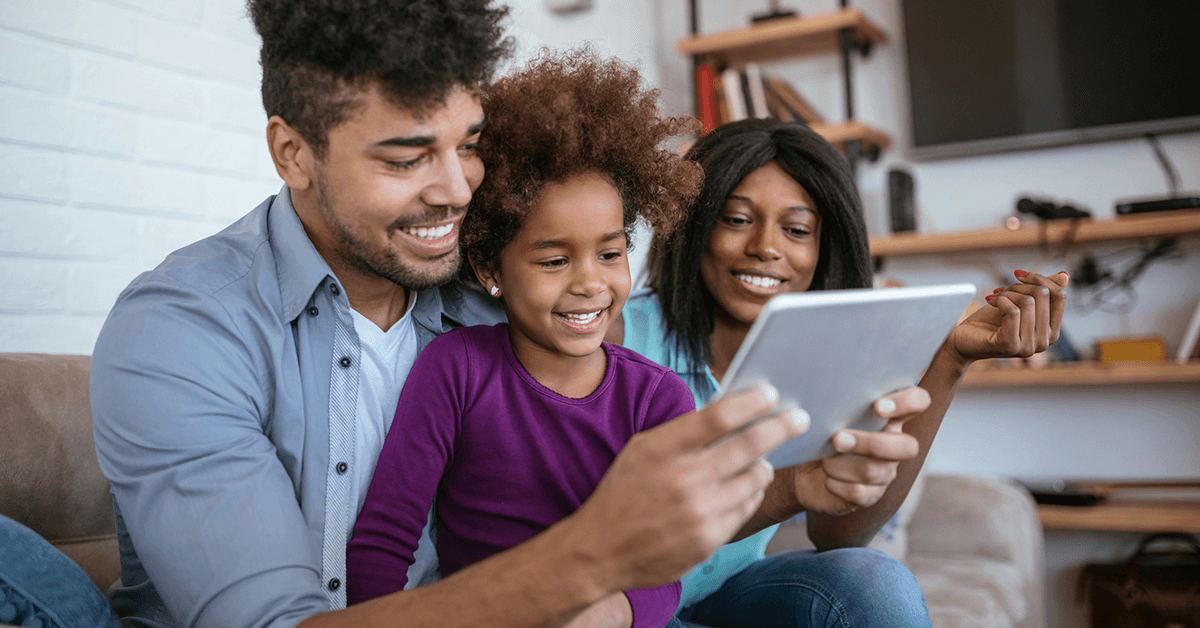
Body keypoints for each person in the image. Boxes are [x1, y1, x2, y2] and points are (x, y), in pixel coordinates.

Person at [87, 2, 811, 627]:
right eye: (406, 159)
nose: (458, 189)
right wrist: (589, 557)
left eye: (468, 146)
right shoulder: (182, 331)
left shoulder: (485, 298)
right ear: (293, 153)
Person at [608, 118, 1070, 627]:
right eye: (737, 219)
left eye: (797, 229)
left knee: (874, 583)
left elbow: (838, 536)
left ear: (823, 247)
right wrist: (790, 486)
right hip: (622, 605)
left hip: (723, 594)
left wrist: (951, 359)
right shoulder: (619, 336)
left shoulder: (826, 352)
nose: (766, 246)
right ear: (695, 226)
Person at [346, 51, 711, 628]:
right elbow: (385, 540)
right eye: (555, 259)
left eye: (611, 254)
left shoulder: (658, 399)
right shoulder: (456, 369)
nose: (591, 283)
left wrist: (611, 613)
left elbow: (664, 569)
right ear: (491, 268)